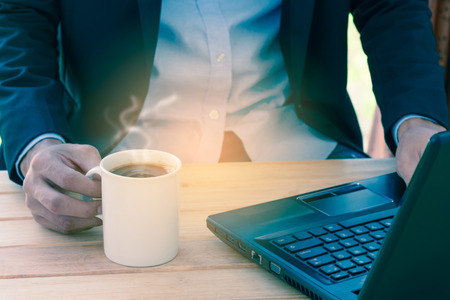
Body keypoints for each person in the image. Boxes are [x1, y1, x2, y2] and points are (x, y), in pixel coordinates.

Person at [0, 0, 447, 234]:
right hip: (117, 172)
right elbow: (19, 17)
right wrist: (39, 144)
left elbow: (389, 4)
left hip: (311, 158)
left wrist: (417, 122)